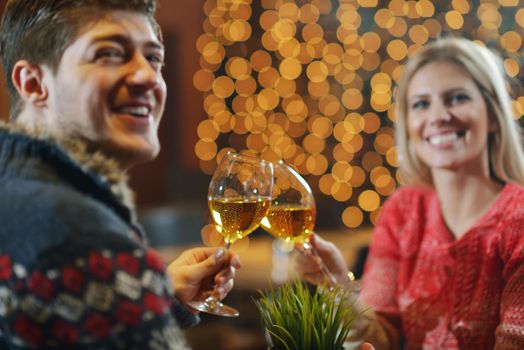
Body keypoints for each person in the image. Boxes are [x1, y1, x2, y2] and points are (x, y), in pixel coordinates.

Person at [0, 0, 240, 348]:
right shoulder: (72, 228)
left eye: (154, 58)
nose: (147, 77)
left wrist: (148, 297)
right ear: (34, 83)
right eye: (110, 54)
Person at [296, 37, 524, 350]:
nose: (438, 116)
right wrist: (335, 286)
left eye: (457, 98)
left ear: (495, 116)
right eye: (420, 104)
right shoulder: (403, 211)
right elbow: (379, 336)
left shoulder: (519, 220)